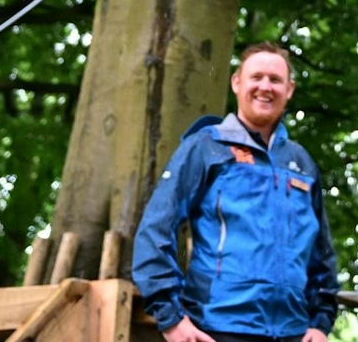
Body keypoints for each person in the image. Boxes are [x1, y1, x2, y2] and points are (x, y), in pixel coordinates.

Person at [132, 42, 338, 342]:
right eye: (256, 77)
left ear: (289, 90)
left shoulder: (302, 163)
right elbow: (154, 231)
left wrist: (320, 323)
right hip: (217, 330)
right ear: (236, 82)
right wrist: (171, 318)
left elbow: (322, 255)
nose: (265, 87)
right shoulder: (206, 148)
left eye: (275, 80)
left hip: (292, 333)